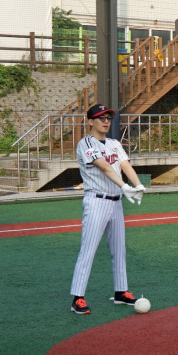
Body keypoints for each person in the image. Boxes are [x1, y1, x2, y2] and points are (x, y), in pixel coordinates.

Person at [69, 104, 145, 314]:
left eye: (108, 118)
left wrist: (137, 185)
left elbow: (125, 165)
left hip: (116, 202)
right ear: (90, 121)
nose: (106, 121)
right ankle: (78, 297)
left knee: (119, 249)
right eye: (101, 117)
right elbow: (104, 167)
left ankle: (121, 291)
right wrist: (125, 187)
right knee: (88, 250)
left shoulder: (113, 143)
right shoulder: (85, 143)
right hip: (96, 201)